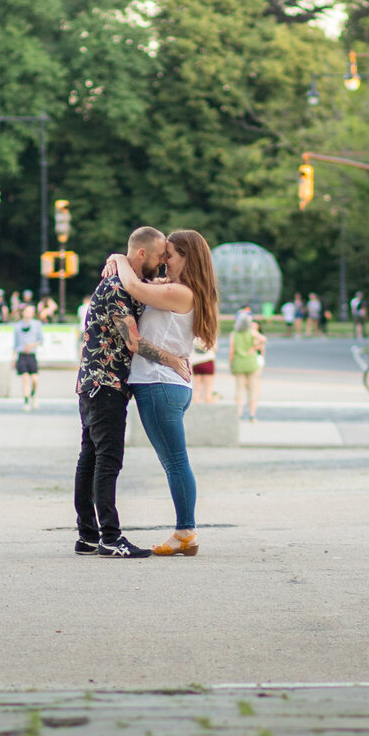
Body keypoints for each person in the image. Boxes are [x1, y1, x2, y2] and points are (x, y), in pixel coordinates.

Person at [104, 229, 219, 558]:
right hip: (167, 384)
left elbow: (134, 286)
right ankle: (185, 530)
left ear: (188, 258)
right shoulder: (176, 290)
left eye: (170, 254)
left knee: (175, 462)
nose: (164, 260)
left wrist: (117, 258)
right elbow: (143, 286)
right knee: (175, 461)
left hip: (159, 383)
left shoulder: (182, 292)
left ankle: (186, 531)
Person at [73, 227, 183, 560]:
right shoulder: (117, 288)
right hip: (105, 385)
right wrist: (173, 360)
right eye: (161, 255)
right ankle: (110, 537)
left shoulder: (127, 282)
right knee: (107, 461)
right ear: (141, 255)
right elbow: (133, 341)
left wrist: (116, 257)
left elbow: (157, 286)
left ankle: (88, 536)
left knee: (90, 460)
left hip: (94, 382)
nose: (164, 263)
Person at [229, 312, 266, 422]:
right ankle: (252, 415)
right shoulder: (252, 332)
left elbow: (231, 350)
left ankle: (239, 414)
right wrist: (255, 346)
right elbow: (263, 339)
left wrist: (231, 363)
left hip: (239, 362)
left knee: (239, 390)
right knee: (253, 389)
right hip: (251, 362)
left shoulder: (234, 334)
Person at [12, 303, 43, 409]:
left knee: (35, 379)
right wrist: (13, 357)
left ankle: (33, 395)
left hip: (31, 355)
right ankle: (26, 400)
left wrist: (32, 345)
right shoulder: (17, 326)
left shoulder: (37, 324)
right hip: (21, 355)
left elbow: (41, 340)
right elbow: (15, 344)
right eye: (27, 311)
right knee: (25, 378)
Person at [190, 335, 216, 405]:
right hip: (208, 361)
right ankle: (207, 406)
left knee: (197, 388)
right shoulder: (210, 335)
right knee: (208, 388)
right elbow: (215, 349)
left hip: (196, 362)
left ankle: (196, 405)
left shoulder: (194, 335)